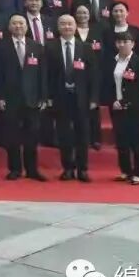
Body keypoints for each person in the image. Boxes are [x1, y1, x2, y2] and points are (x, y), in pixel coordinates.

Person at [0, 15, 48, 181]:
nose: (18, 26)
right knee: (12, 136)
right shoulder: (0, 47)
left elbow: (42, 75)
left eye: (21, 23)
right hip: (10, 98)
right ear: (9, 27)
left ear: (27, 26)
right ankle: (15, 169)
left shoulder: (37, 47)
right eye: (14, 23)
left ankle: (32, 170)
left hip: (32, 98)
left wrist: (43, 97)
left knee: (32, 136)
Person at [46, 14, 96, 182]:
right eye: (63, 24)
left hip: (81, 98)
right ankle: (68, 168)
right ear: (58, 27)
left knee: (83, 134)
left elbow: (94, 75)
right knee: (64, 134)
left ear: (75, 27)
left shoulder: (86, 47)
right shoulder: (50, 47)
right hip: (60, 97)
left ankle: (82, 169)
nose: (67, 27)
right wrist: (48, 97)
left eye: (70, 24)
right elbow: (46, 75)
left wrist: (94, 98)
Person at [109, 31, 139, 185]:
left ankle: (138, 172)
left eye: (125, 42)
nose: (122, 45)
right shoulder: (112, 61)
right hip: (115, 106)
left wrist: (124, 102)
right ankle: (125, 170)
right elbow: (108, 84)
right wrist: (113, 101)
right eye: (119, 42)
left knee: (136, 140)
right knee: (121, 141)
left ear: (132, 44)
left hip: (133, 106)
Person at [75, 3, 107, 149]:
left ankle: (96, 139)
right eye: (79, 13)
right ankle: (82, 139)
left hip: (94, 73)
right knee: (78, 108)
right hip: (75, 75)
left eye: (85, 13)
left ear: (90, 15)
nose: (82, 15)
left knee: (94, 106)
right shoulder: (71, 29)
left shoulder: (97, 31)